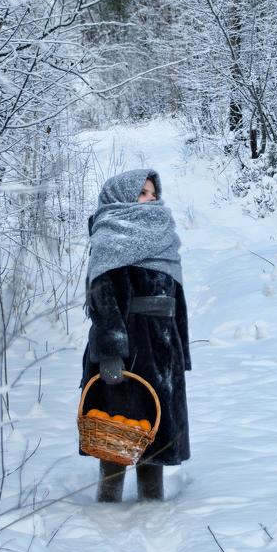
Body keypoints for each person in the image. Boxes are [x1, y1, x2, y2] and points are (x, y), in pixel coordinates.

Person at [80, 169, 191, 502]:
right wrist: (111, 352)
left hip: (163, 346)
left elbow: (177, 297)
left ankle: (151, 505)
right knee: (118, 428)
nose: (151, 198)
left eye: (153, 193)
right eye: (143, 193)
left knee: (155, 431)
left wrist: (180, 350)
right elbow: (102, 298)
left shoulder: (164, 234)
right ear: (123, 196)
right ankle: (108, 505)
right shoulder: (111, 234)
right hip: (129, 346)